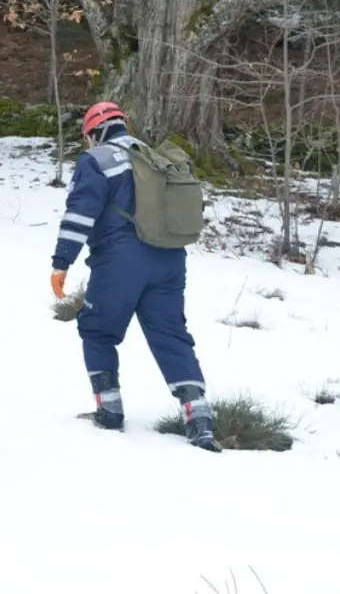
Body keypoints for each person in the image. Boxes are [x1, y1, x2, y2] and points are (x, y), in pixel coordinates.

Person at [49, 102, 220, 452]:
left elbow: (80, 214)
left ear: (94, 131)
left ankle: (109, 410)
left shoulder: (96, 160)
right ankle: (199, 418)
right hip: (170, 259)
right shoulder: (154, 157)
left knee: (97, 329)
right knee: (171, 334)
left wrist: (61, 261)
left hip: (120, 261)